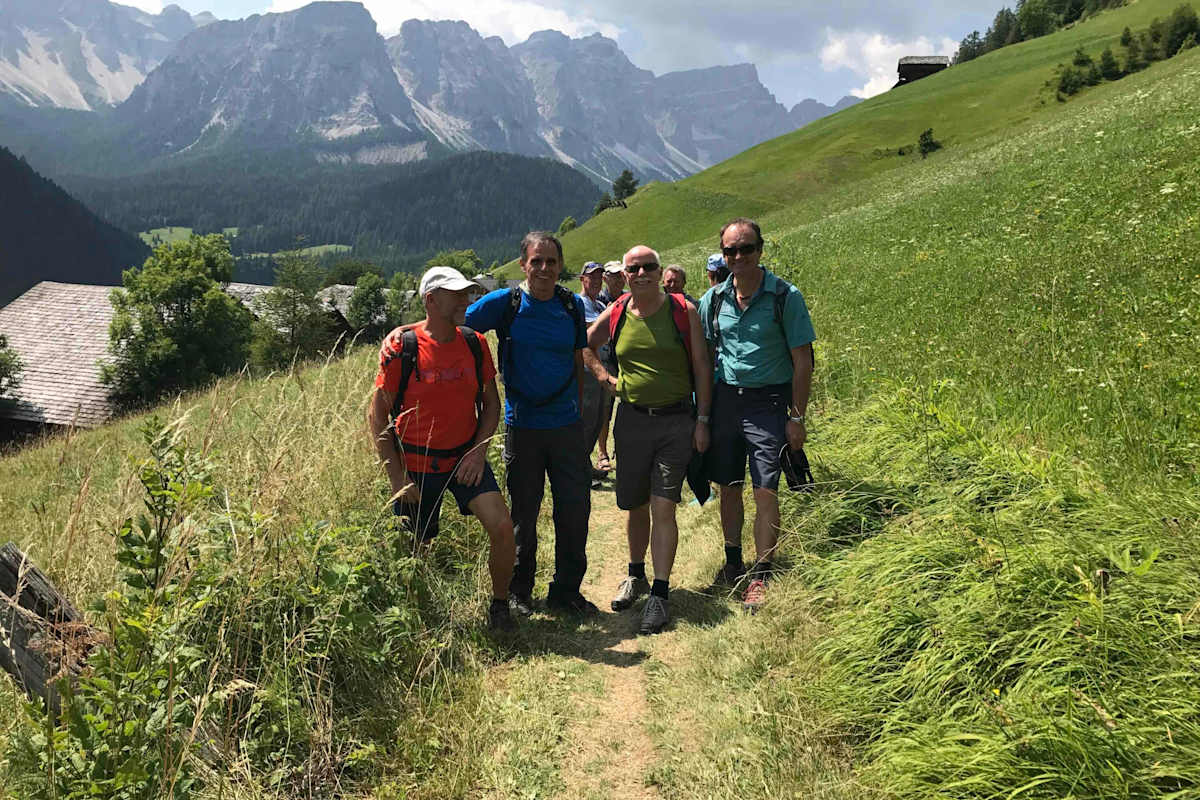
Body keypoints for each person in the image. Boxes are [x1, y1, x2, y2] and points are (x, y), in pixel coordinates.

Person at [368, 266, 517, 631]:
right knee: (415, 549)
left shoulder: (474, 343)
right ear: (431, 300)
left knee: (502, 528)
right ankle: (416, 622)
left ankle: (500, 607)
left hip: (465, 457)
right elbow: (377, 416)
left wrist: (478, 451)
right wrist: (397, 478)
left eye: (467, 292)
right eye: (457, 294)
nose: (466, 299)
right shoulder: (403, 347)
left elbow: (492, 404)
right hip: (416, 463)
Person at [464, 232, 598, 616]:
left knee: (574, 508)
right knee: (524, 511)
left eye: (551, 262)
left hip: (566, 425)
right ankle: (520, 591)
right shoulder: (505, 303)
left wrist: (579, 412)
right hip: (522, 426)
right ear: (523, 265)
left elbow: (577, 359)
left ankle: (566, 591)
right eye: (536, 261)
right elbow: (457, 326)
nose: (544, 268)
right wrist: (410, 332)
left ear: (560, 266)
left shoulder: (570, 306)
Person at [584, 246, 712, 633]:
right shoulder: (620, 310)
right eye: (633, 268)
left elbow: (702, 367)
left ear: (659, 271)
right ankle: (635, 574)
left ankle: (660, 592)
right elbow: (585, 344)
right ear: (623, 275)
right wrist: (604, 378)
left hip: (676, 422)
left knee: (663, 507)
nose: (641, 273)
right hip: (632, 422)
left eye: (648, 267)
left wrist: (703, 419)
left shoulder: (682, 311)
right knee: (635, 505)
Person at [698, 218, 815, 612]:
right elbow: (702, 357)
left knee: (766, 489)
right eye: (730, 250)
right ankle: (733, 562)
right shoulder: (713, 300)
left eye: (745, 249)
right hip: (727, 402)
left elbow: (803, 362)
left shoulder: (785, 296)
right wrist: (701, 415)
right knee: (729, 485)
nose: (737, 257)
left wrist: (796, 418)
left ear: (760, 250)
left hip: (768, 403)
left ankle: (761, 574)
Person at [578, 261, 611, 481]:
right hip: (587, 371)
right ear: (582, 279)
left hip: (602, 368)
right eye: (592, 277)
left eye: (600, 278)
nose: (596, 282)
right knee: (587, 419)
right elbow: (591, 329)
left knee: (599, 418)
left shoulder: (599, 304)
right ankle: (578, 469)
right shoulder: (578, 303)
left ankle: (584, 466)